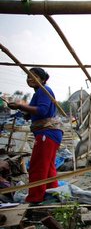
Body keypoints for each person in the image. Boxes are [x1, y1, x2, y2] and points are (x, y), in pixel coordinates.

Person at [7, 67, 63, 204]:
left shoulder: (44, 91)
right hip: (50, 133)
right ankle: (52, 192)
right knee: (48, 167)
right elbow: (36, 112)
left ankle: (35, 198)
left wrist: (21, 106)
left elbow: (43, 111)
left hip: (47, 132)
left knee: (37, 166)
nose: (30, 79)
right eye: (28, 77)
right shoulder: (39, 92)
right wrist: (26, 113)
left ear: (42, 79)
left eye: (34, 76)